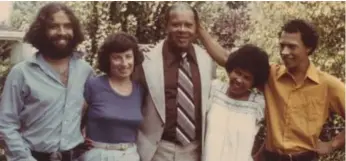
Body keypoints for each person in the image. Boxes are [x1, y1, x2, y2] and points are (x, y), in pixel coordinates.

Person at [198, 19, 345, 161]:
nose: (284, 52)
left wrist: (333, 144)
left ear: (308, 48)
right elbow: (227, 60)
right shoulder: (271, 76)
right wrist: (199, 29)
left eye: (291, 46)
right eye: (282, 46)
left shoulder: (327, 85)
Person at [0, 2, 93, 161]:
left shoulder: (86, 71)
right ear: (41, 31)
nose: (62, 32)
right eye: (54, 26)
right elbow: (6, 124)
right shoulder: (22, 73)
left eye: (67, 26)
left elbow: (94, 110)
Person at [133, 2, 215, 161]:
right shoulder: (146, 61)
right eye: (176, 24)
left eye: (188, 25)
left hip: (194, 150)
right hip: (157, 150)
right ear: (166, 26)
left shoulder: (206, 61)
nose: (182, 30)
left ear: (196, 28)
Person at [78, 32, 144, 161]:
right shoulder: (94, 85)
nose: (124, 63)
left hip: (130, 155)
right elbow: (75, 120)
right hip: (98, 155)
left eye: (128, 56)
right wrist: (78, 142)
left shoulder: (140, 90)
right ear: (108, 60)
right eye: (117, 57)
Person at [204, 44, 270, 161]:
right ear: (230, 70)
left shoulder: (258, 104)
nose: (239, 80)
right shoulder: (214, 89)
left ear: (254, 82)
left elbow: (274, 131)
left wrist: (259, 156)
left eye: (247, 77)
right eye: (237, 72)